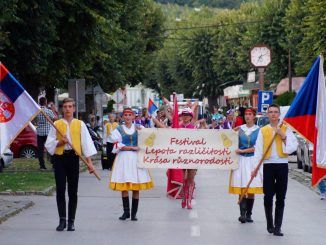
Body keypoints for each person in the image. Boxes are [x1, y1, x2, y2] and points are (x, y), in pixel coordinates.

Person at [45, 98, 96, 232]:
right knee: (60, 189)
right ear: (62, 109)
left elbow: (86, 144)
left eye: (70, 106)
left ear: (74, 108)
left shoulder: (80, 124)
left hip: (73, 158)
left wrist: (90, 164)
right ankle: (62, 220)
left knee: (73, 191)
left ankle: (71, 221)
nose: (67, 109)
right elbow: (49, 144)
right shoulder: (56, 124)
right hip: (59, 158)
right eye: (65, 106)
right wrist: (60, 143)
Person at [253, 104, 297, 236]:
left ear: (279, 114)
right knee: (268, 196)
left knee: (281, 197)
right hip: (268, 165)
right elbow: (258, 151)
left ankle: (278, 227)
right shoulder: (263, 130)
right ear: (267, 114)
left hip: (282, 165)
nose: (273, 114)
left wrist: (283, 136)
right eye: (270, 112)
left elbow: (292, 148)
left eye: (275, 112)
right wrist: (255, 168)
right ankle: (269, 224)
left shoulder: (286, 129)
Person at [109, 108, 154, 221]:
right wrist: (129, 147)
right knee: (124, 184)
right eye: (126, 115)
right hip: (123, 158)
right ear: (123, 117)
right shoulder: (118, 129)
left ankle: (134, 214)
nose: (128, 117)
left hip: (136, 158)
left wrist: (141, 143)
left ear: (134, 116)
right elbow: (115, 143)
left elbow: (150, 138)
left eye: (130, 115)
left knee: (136, 185)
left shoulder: (139, 128)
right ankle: (126, 212)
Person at [229, 108, 262, 223]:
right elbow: (228, 138)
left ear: (254, 116)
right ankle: (242, 214)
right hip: (241, 161)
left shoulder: (259, 130)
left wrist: (242, 151)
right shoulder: (239, 129)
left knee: (251, 187)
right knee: (242, 186)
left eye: (250, 114)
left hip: (252, 160)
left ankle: (249, 214)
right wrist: (232, 131)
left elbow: (257, 148)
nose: (247, 116)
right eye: (246, 114)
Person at [179, 108, 197, 209]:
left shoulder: (194, 128)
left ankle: (189, 200)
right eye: (183, 115)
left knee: (190, 179)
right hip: (180, 157)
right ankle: (183, 198)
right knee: (181, 180)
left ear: (190, 117)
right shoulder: (177, 128)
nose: (185, 117)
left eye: (187, 115)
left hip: (192, 157)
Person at [35, 97, 57, 170]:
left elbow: (35, 120)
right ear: (45, 102)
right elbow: (55, 118)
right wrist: (53, 109)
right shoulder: (48, 111)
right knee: (51, 148)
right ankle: (54, 164)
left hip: (39, 132)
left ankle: (42, 166)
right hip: (48, 132)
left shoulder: (37, 111)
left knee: (40, 150)